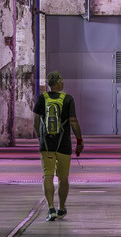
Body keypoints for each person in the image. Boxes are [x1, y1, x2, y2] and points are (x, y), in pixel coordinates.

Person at [33, 70, 83, 222]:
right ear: (58, 83)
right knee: (63, 178)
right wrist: (79, 140)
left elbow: (36, 122)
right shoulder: (68, 99)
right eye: (62, 81)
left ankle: (51, 208)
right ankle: (61, 208)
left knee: (47, 175)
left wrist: (41, 138)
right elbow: (73, 121)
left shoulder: (42, 98)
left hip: (46, 144)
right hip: (64, 144)